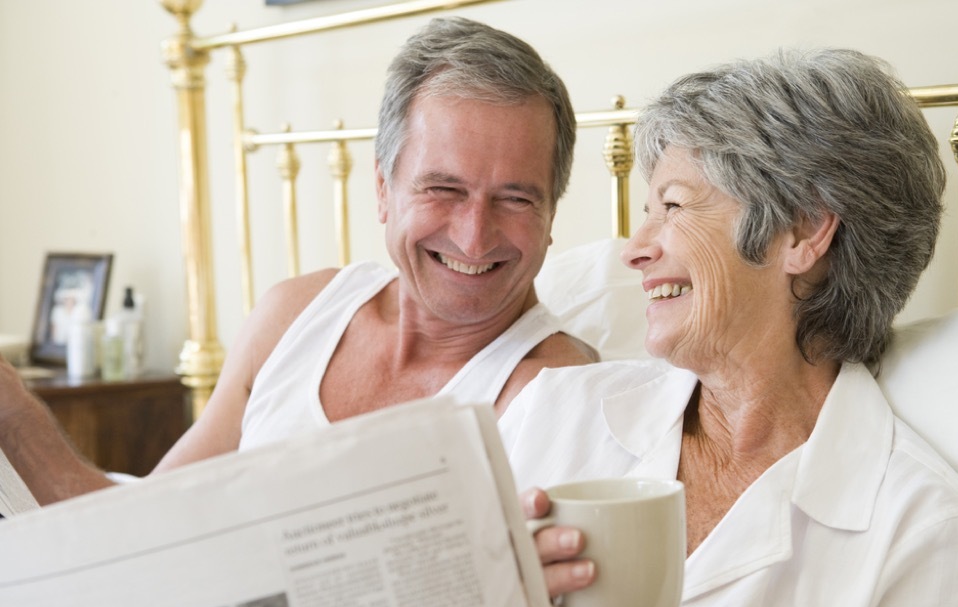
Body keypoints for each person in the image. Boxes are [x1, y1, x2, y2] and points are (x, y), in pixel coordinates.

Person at [504, 48, 958, 607]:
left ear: (802, 233)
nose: (634, 249)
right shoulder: (551, 411)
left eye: (674, 206)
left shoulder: (927, 537)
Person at [0, 16, 596, 505]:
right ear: (383, 189)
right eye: (443, 189)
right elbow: (146, 524)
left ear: (551, 214)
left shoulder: (559, 387)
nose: (473, 237)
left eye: (516, 198)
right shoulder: (296, 314)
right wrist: (17, 414)